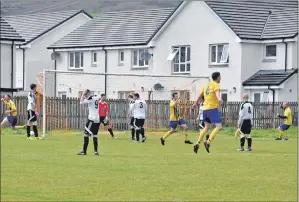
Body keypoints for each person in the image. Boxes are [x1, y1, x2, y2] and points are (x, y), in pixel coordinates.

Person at [192, 72, 222, 153]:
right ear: (218, 77)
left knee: (206, 128)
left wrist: (195, 103)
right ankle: (208, 142)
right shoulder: (215, 84)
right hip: (212, 109)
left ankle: (197, 143)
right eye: (220, 77)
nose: (220, 78)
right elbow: (217, 93)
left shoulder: (206, 85)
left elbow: (200, 95)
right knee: (219, 127)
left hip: (205, 109)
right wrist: (219, 99)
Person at [77, 89, 100, 156]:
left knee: (86, 134)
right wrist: (85, 96)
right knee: (95, 135)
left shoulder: (90, 98)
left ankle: (84, 151)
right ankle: (96, 151)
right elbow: (90, 100)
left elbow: (81, 102)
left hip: (91, 119)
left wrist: (82, 95)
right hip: (97, 119)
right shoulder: (96, 97)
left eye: (86, 94)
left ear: (88, 94)